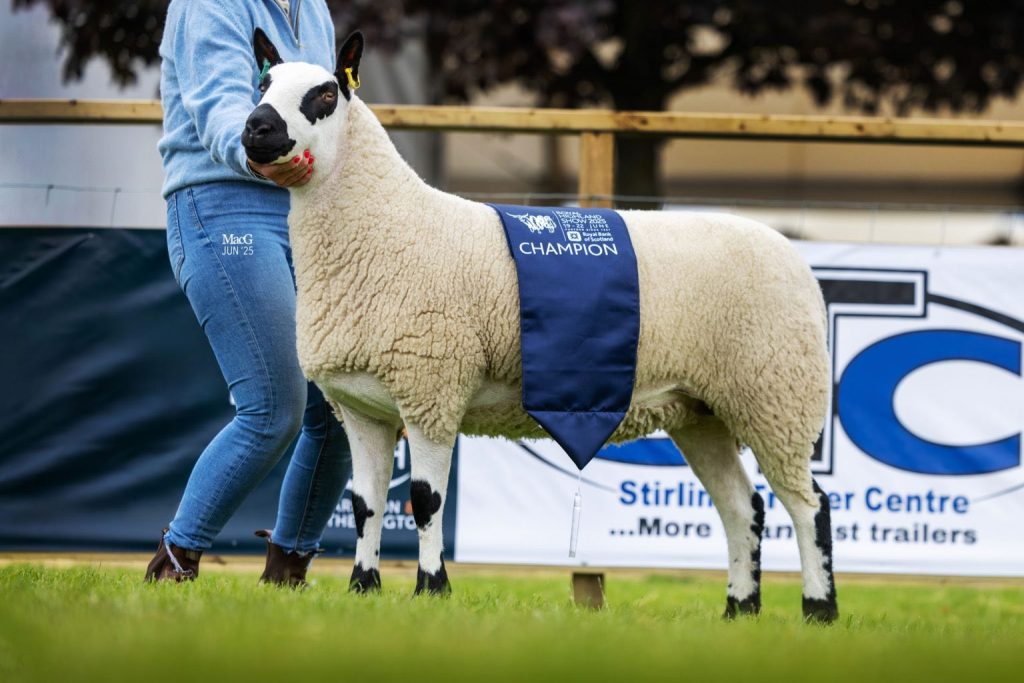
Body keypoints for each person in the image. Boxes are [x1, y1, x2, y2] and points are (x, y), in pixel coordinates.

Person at [145, 0, 351, 584]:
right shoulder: (208, 5)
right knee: (273, 406)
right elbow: (218, 108)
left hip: (303, 211)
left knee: (343, 407)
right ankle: (174, 563)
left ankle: (287, 575)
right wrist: (262, 159)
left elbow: (329, 116)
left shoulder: (313, 9)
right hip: (221, 204)